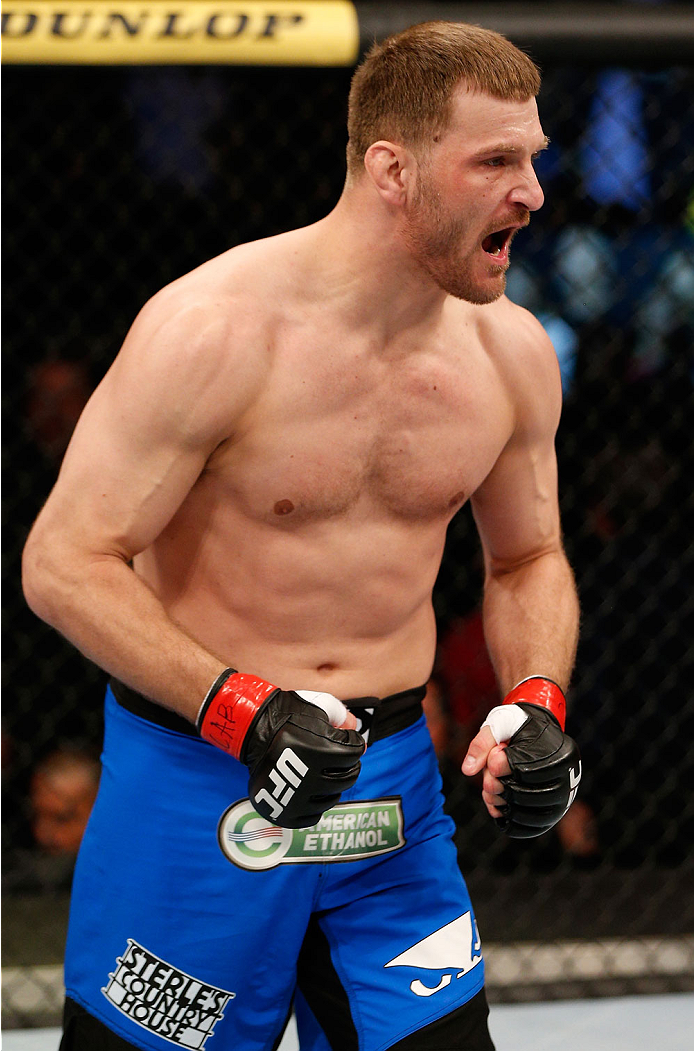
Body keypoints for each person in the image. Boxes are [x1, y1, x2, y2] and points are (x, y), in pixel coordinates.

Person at [22, 21, 581, 1051]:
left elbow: (527, 558)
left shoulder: (509, 352)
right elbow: (62, 562)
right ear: (392, 170)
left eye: (533, 158)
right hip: (197, 792)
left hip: (394, 800)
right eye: (496, 161)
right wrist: (238, 706)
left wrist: (536, 698)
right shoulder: (214, 330)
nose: (532, 192)